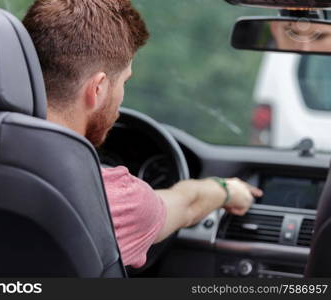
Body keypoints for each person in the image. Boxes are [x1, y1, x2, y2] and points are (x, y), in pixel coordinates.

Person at [23, 0, 263, 269]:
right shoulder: (112, 199)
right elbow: (188, 205)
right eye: (124, 81)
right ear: (99, 88)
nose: (121, 96)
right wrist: (226, 191)